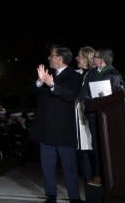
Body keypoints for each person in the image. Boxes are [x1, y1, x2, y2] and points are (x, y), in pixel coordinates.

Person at [30, 45, 82, 203]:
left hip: (64, 129)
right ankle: (51, 194)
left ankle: (74, 197)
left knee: (69, 166)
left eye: (51, 55)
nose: (48, 58)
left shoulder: (74, 76)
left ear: (60, 58)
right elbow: (33, 93)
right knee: (47, 165)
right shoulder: (47, 74)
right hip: (46, 129)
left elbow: (70, 96)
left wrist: (52, 85)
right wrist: (39, 82)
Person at [81, 47, 124, 187]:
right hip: (93, 115)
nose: (93, 59)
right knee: (96, 147)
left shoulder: (114, 73)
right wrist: (90, 99)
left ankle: (112, 176)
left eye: (96, 57)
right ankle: (98, 175)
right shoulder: (91, 73)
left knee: (108, 146)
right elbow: (84, 92)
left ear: (102, 60)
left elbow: (118, 95)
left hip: (108, 116)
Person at [74, 45, 95, 183]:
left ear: (87, 59)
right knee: (83, 153)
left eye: (80, 57)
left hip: (88, 117)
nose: (76, 58)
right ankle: (89, 183)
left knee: (89, 152)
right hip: (80, 116)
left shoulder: (92, 75)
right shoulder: (80, 73)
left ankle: (93, 183)